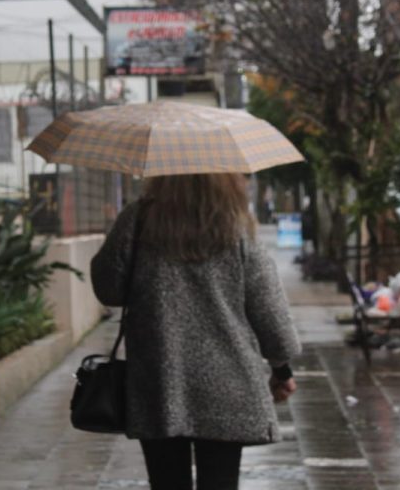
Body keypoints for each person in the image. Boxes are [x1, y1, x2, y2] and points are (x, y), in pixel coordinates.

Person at [90, 172, 301, 490]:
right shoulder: (238, 226)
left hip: (158, 382)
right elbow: (271, 317)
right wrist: (281, 370)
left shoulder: (138, 219)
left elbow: (108, 289)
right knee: (220, 483)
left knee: (166, 483)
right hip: (227, 384)